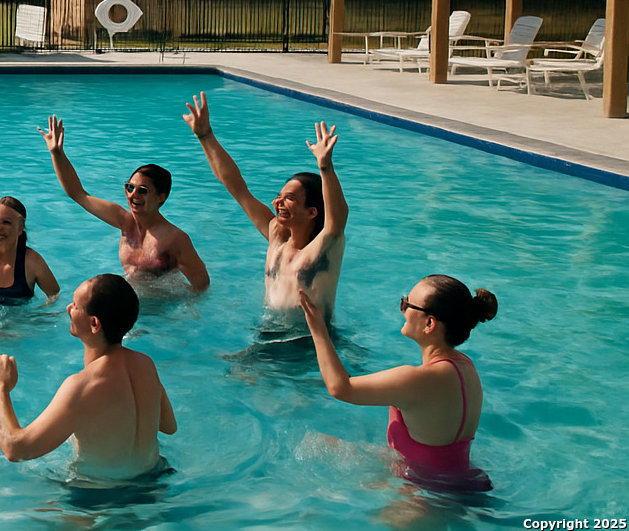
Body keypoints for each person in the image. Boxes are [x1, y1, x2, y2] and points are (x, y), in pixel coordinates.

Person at [300, 276, 497, 486]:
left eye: (407, 304)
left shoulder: (418, 380)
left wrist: (318, 329)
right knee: (322, 443)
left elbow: (340, 388)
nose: (402, 310)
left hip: (426, 495)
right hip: (456, 479)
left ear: (429, 323)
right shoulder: (465, 366)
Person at [0, 273, 176, 478]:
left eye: (75, 305)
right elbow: (169, 426)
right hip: (155, 484)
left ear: (94, 324)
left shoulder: (82, 386)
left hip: (99, 499)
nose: (68, 308)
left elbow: (16, 449)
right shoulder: (146, 366)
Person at [184, 91, 348, 315]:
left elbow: (337, 219)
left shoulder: (324, 249)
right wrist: (205, 136)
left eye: (289, 198)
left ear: (312, 212)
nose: (278, 202)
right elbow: (238, 189)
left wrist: (326, 168)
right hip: (270, 335)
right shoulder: (277, 237)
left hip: (309, 343)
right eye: (279, 196)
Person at [39, 115, 209, 291]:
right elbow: (78, 194)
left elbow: (202, 285)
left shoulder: (175, 238)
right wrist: (57, 153)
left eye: (142, 190)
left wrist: (178, 311)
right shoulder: (124, 222)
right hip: (128, 301)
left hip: (161, 311)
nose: (133, 194)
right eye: (130, 187)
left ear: (161, 197)